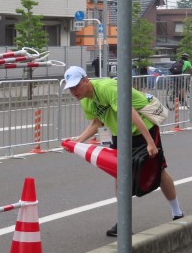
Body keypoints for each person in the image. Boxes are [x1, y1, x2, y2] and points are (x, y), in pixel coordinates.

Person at [63, 65, 185, 237]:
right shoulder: (85, 100)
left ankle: (177, 212)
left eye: (76, 86)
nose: (74, 91)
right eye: (70, 88)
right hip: (120, 133)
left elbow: (130, 112)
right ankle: (123, 222)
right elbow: (97, 123)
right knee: (119, 174)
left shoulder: (107, 89)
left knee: (159, 171)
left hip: (144, 128)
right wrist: (77, 143)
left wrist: (150, 142)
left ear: (86, 80)